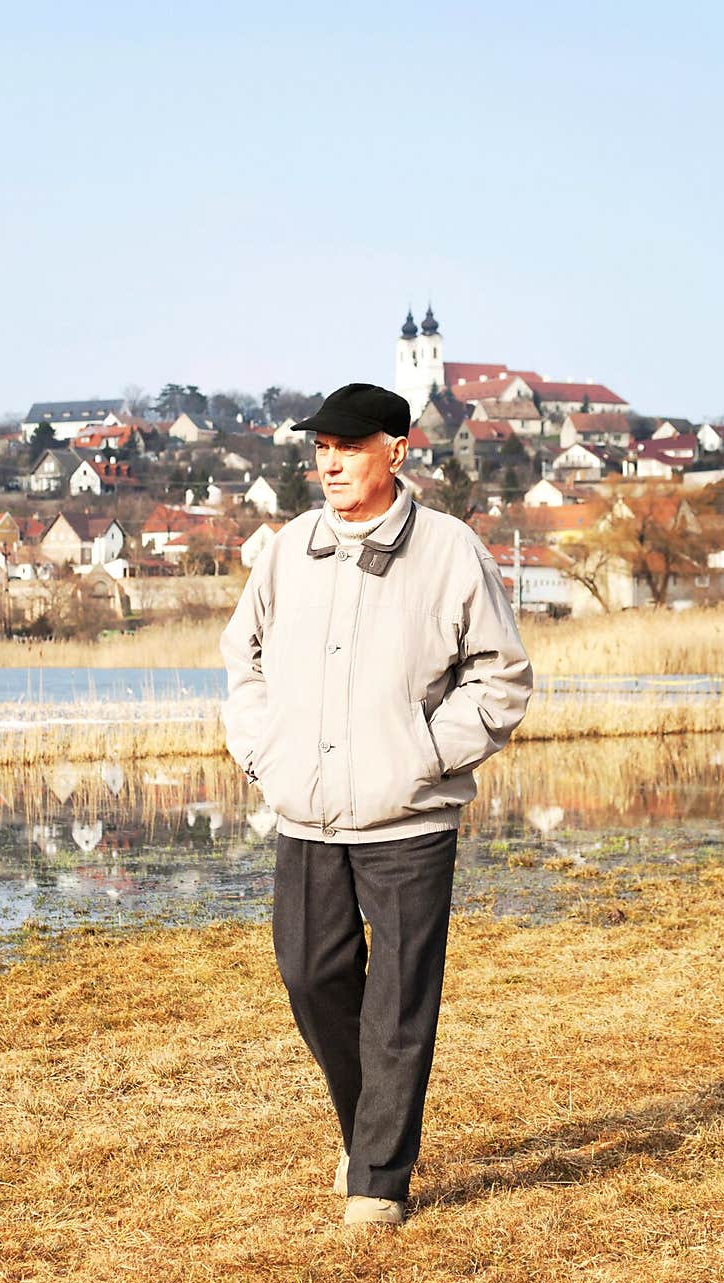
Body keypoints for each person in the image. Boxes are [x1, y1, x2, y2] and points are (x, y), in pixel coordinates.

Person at [220, 382, 533, 1227]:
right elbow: (240, 659)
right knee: (310, 972)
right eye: (321, 446)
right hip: (307, 810)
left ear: (398, 448)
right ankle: (369, 1129)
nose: (329, 461)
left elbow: (501, 677)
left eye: (348, 446)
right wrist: (262, 749)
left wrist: (426, 756)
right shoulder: (287, 549)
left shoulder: (449, 549)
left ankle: (378, 1180)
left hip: (410, 816)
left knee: (397, 1000)